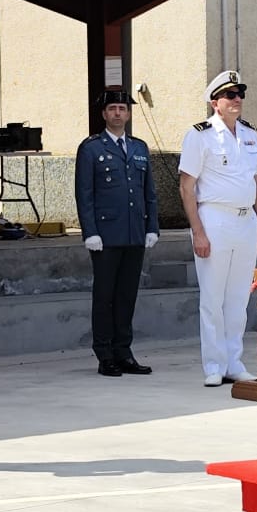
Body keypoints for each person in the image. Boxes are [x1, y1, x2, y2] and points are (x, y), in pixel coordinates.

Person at [179, 70, 257, 386]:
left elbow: (255, 181)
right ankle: (213, 365)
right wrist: (198, 231)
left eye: (240, 93)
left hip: (245, 220)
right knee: (213, 296)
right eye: (230, 94)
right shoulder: (199, 135)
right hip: (214, 218)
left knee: (238, 296)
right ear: (216, 102)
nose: (237, 99)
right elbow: (187, 186)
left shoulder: (250, 134)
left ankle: (233, 361)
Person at [77, 89, 159, 377]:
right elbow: (84, 194)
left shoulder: (139, 147)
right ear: (104, 114)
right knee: (105, 295)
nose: (117, 114)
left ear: (129, 113)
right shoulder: (91, 148)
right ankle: (105, 353)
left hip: (134, 232)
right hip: (106, 235)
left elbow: (149, 192)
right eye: (112, 109)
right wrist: (90, 232)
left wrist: (152, 227)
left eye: (122, 109)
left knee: (126, 295)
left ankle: (124, 351)